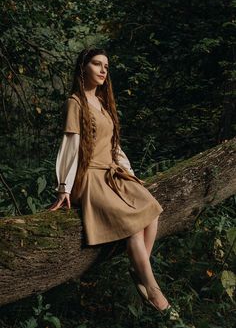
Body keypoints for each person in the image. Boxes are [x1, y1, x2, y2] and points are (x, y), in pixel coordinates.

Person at [49, 47, 179, 319]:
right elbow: (70, 146)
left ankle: (139, 268)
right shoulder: (76, 102)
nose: (103, 70)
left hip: (112, 172)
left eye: (106, 66)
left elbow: (113, 145)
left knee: (152, 209)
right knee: (132, 225)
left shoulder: (103, 103)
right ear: (83, 67)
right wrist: (64, 187)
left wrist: (128, 172)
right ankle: (155, 292)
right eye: (97, 64)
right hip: (91, 176)